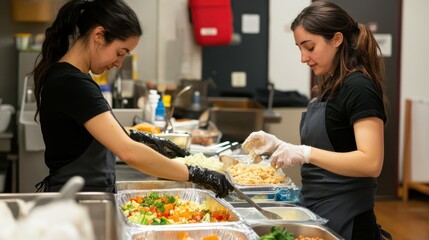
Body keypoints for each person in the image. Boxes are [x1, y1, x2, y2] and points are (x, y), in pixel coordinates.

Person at [31, 0, 233, 198]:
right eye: (120, 53)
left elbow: (88, 134)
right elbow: (128, 153)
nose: (119, 63)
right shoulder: (72, 83)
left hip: (83, 197)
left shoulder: (68, 77)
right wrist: (196, 174)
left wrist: (142, 137)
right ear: (99, 35)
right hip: (77, 202)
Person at [242, 1, 388, 239]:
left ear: (337, 39)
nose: (303, 58)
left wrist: (306, 153)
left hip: (348, 220)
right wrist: (279, 146)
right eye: (300, 48)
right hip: (320, 212)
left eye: (309, 47)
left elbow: (371, 162)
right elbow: (336, 145)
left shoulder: (359, 87)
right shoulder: (332, 85)